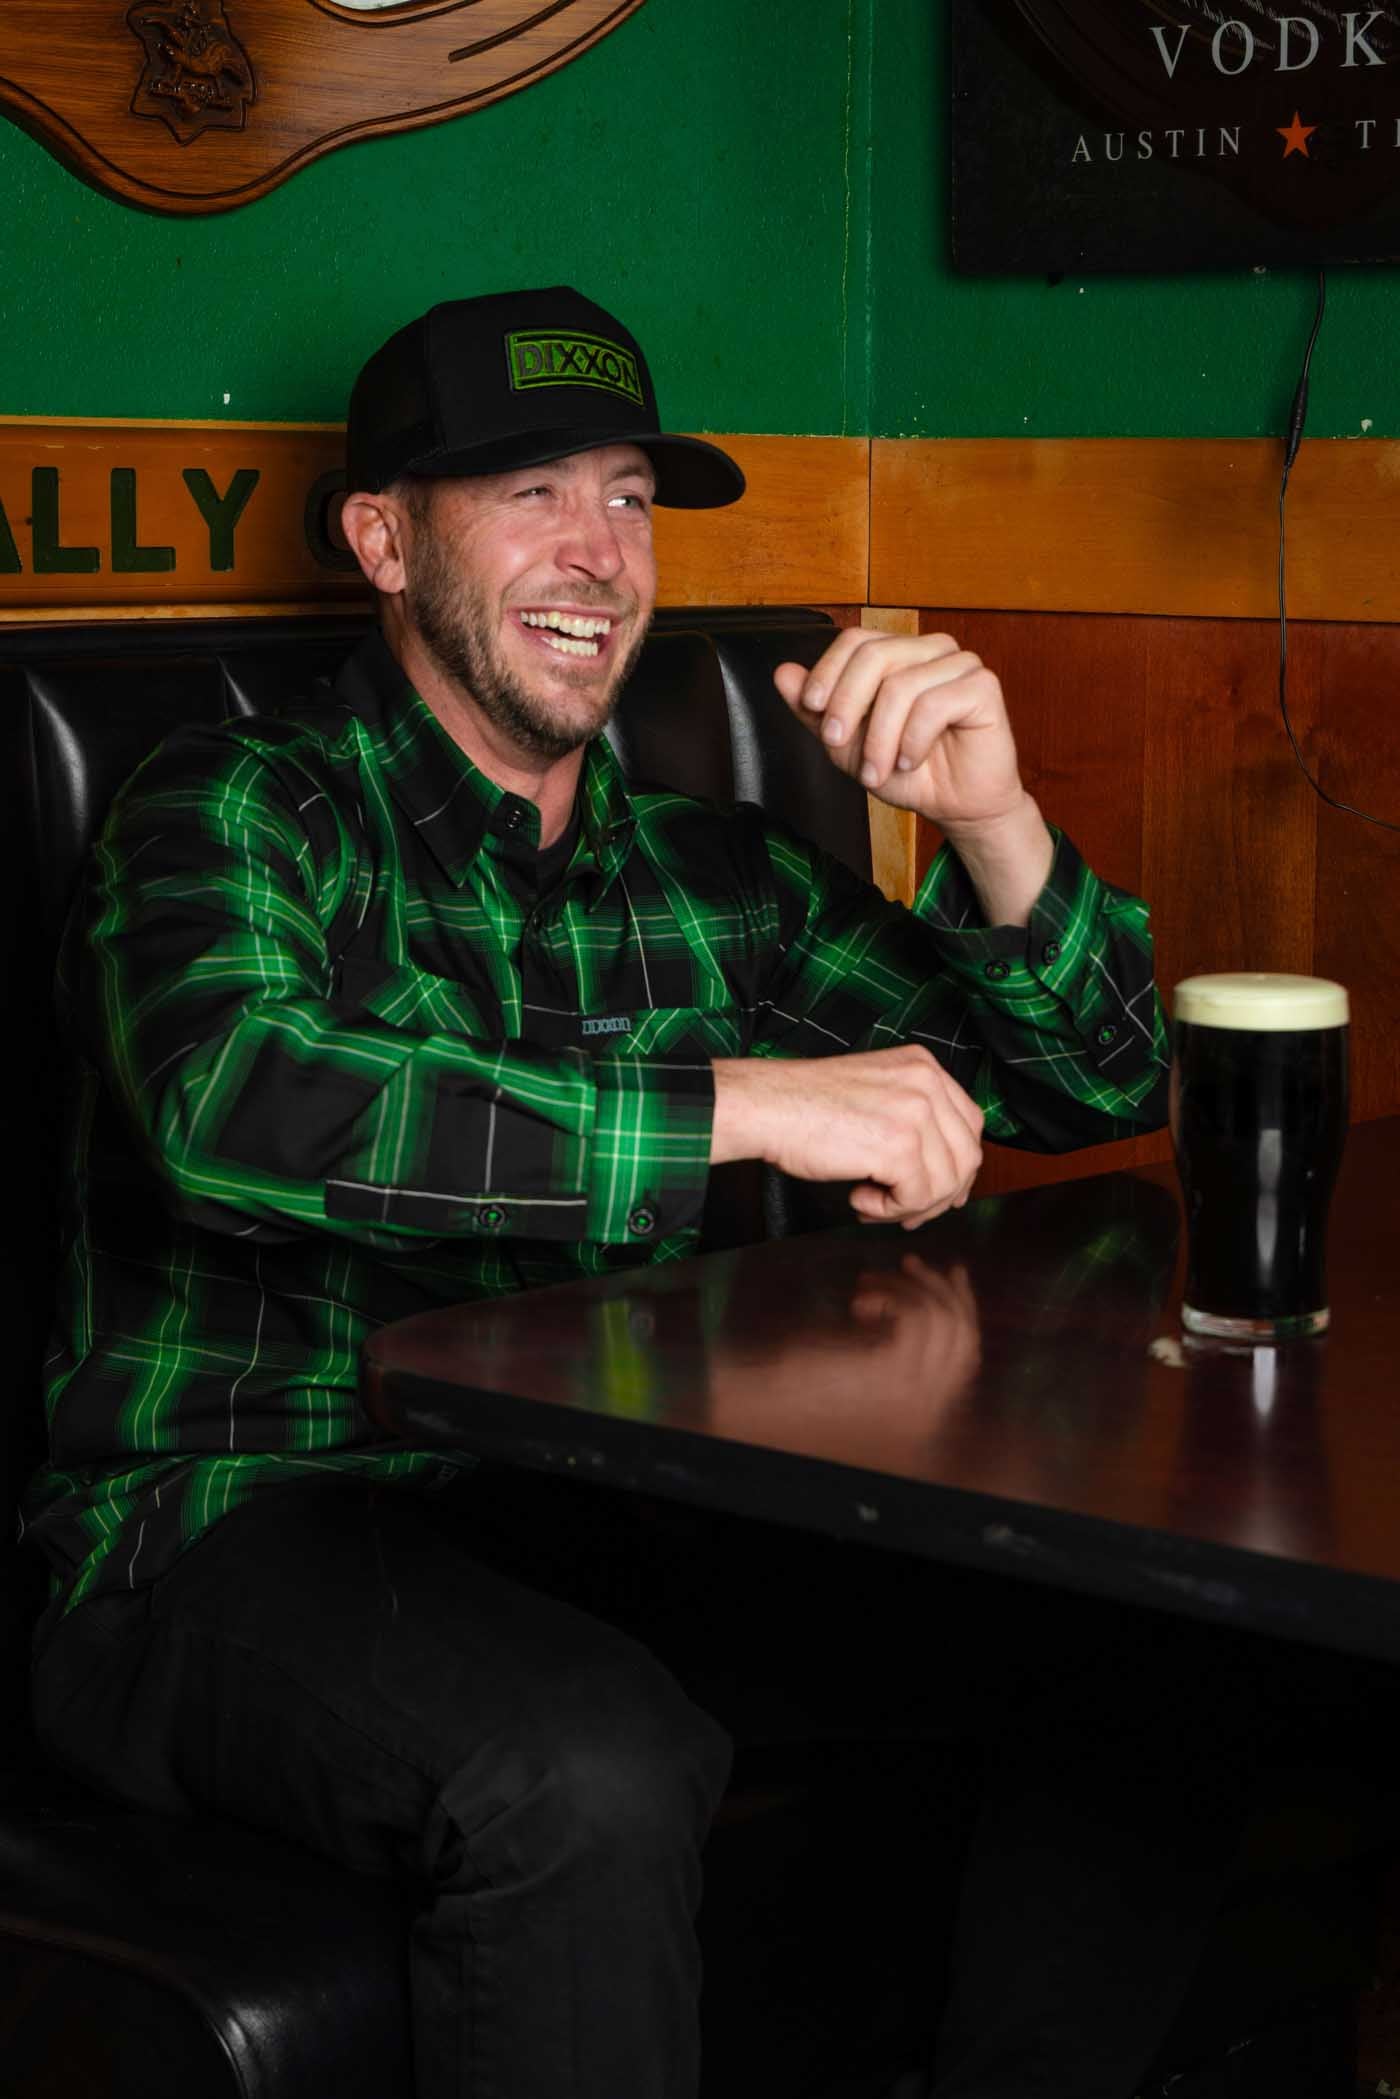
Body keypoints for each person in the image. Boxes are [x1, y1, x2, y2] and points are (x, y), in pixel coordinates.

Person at [27, 285, 1234, 2099]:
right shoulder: (234, 805)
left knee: (1132, 1639)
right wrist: (741, 1106)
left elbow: (1093, 1084)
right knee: (582, 1769)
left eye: (630, 496)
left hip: (584, 1498)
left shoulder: (708, 870)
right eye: (530, 492)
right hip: (227, 1529)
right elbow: (242, 1104)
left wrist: (994, 824)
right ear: (383, 539)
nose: (599, 552)